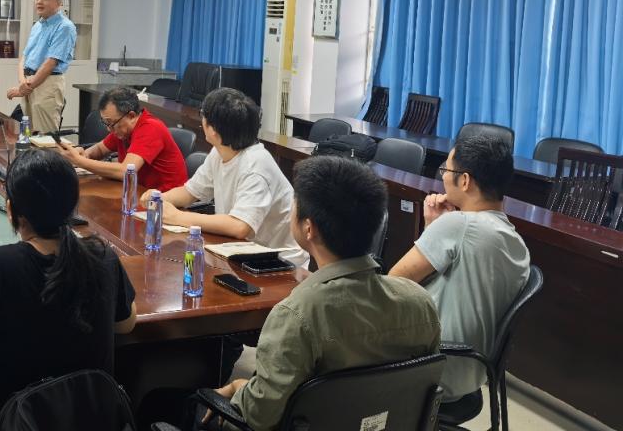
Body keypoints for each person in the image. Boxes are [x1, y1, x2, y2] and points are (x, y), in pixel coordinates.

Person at [210, 157, 440, 431]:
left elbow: (260, 416)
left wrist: (239, 386)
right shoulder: (420, 302)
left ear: (309, 228)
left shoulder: (297, 314)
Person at [0, 149, 137, 427]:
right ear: (73, 206)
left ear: (11, 210)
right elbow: (126, 324)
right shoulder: (103, 256)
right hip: (92, 420)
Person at [390, 134, 530, 411]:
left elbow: (394, 284)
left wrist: (436, 228)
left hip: (434, 369)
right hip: (474, 370)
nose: (443, 177)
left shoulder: (458, 225)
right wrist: (434, 229)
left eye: (446, 169)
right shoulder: (516, 242)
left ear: (464, 181)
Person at [139, 88, 307, 266]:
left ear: (213, 130)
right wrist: (159, 200)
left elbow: (239, 226)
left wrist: (177, 217)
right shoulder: (219, 152)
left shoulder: (256, 165)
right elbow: (189, 192)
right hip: (241, 251)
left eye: (203, 115)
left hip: (280, 264)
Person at [58, 86, 187, 192]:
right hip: (137, 192)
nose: (109, 129)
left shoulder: (151, 128)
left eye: (111, 123)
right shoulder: (122, 128)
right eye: (106, 123)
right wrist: (85, 154)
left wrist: (80, 161)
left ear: (131, 116)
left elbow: (125, 171)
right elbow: (100, 149)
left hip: (165, 200)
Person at [6, 0, 76, 134]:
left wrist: (24, 88)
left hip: (47, 83)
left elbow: (50, 63)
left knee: (45, 137)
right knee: (27, 134)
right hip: (30, 82)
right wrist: (23, 83)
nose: (39, 1)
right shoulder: (38, 25)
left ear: (59, 2)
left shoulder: (65, 27)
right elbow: (25, 57)